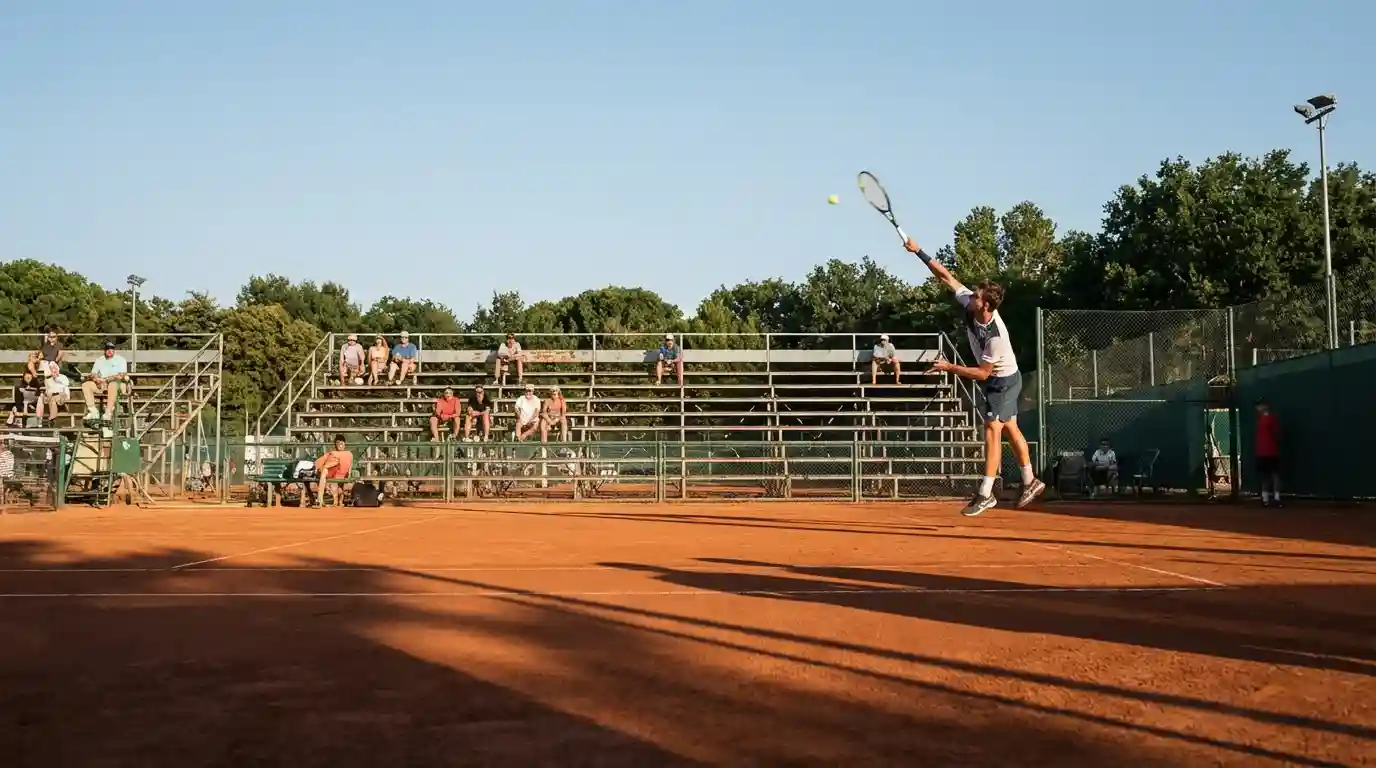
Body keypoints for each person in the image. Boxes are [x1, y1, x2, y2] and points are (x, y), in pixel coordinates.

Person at [905, 237, 1044, 516]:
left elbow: (982, 373)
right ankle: (1030, 480)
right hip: (998, 381)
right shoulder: (971, 304)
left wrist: (949, 367)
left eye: (977, 297)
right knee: (1010, 428)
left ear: (986, 307)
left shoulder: (996, 337)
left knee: (992, 429)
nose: (971, 297)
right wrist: (918, 251)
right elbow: (946, 277)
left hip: (1004, 380)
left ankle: (986, 492)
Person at [80, 342, 129, 424]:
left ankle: (108, 412)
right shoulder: (100, 360)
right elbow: (93, 373)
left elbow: (121, 375)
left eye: (111, 349)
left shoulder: (121, 360)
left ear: (114, 350)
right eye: (107, 349)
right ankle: (93, 411)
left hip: (118, 384)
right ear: (104, 350)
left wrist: (105, 380)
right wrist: (96, 379)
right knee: (86, 385)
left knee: (112, 385)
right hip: (102, 384)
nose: (109, 351)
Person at [1255, 399, 1282, 508]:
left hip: (1272, 453)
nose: (1259, 408)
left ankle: (1276, 498)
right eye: (1258, 406)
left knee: (1275, 476)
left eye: (1261, 405)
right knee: (1265, 476)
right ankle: (1265, 499)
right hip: (1262, 453)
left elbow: (1277, 434)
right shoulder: (1259, 419)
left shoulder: (1271, 418)